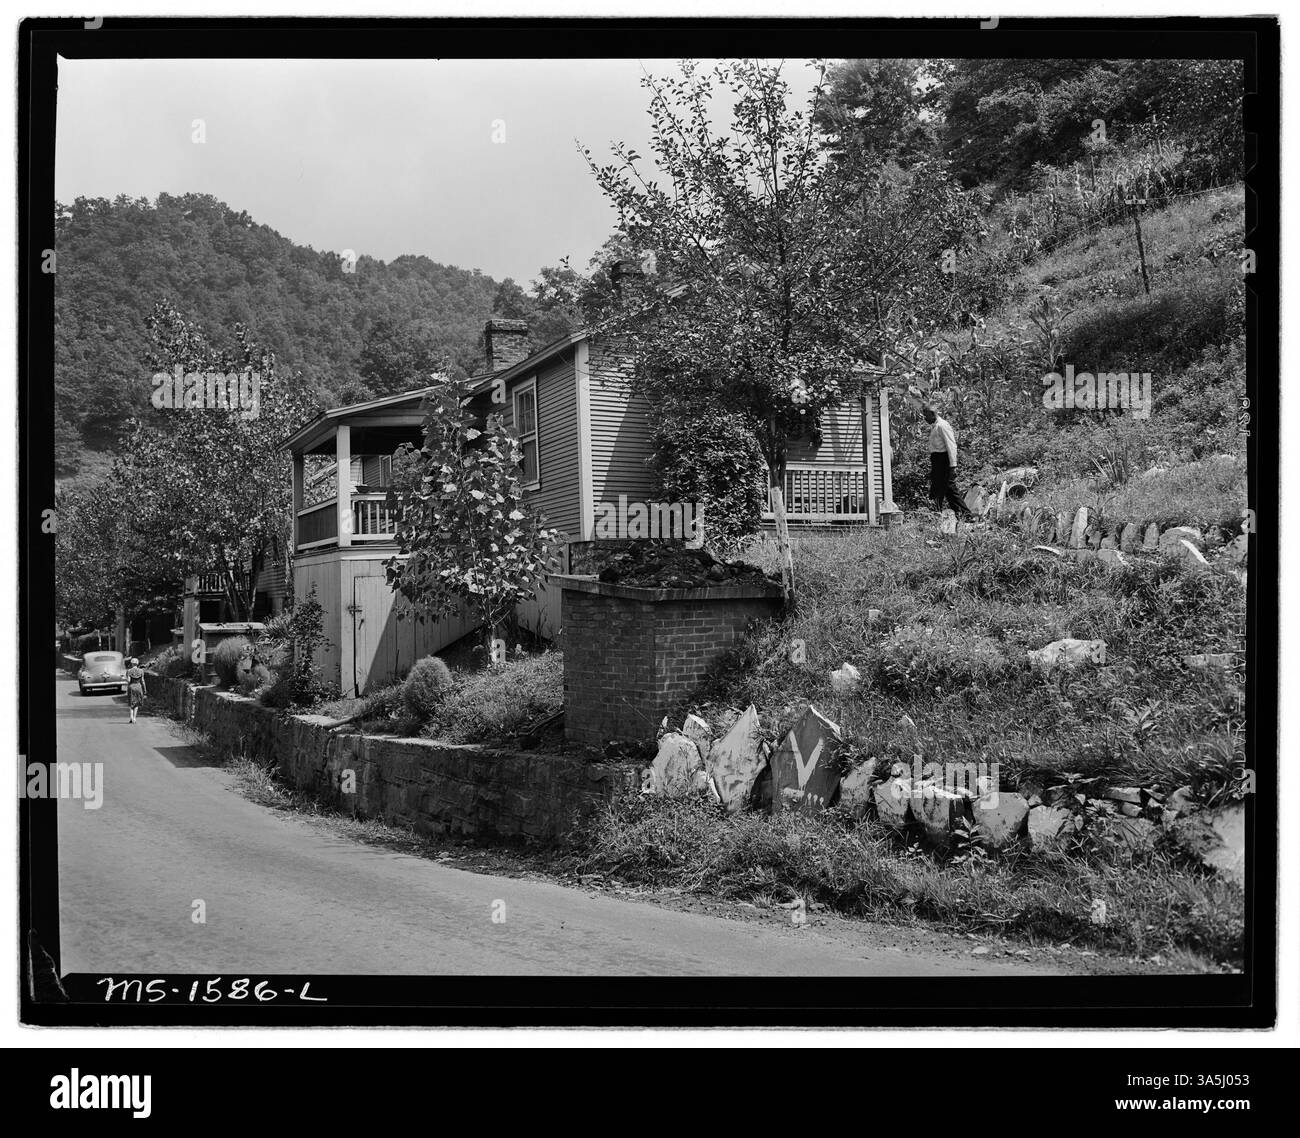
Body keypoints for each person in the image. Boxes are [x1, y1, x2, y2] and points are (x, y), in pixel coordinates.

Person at [922, 402, 974, 520]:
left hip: (943, 459)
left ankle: (964, 515)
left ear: (932, 413)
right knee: (941, 488)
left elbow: (951, 445)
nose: (925, 418)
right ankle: (938, 514)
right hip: (937, 459)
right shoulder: (935, 426)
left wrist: (953, 465)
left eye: (926, 416)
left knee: (945, 488)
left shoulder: (942, 425)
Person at [126, 657, 147, 723]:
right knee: (137, 704)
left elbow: (128, 681)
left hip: (131, 687)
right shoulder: (141, 671)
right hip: (138, 687)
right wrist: (145, 690)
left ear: (132, 663)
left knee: (131, 703)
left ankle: (131, 717)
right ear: (137, 663)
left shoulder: (129, 671)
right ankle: (134, 718)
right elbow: (142, 681)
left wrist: (126, 680)